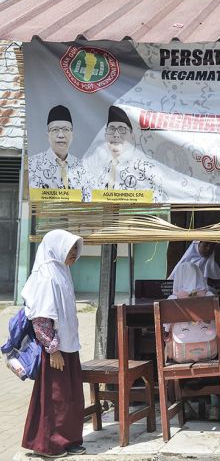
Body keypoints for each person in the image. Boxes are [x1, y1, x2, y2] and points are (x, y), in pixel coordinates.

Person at [21, 229, 86, 458]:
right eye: (70, 249)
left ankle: (69, 441)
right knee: (55, 399)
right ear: (56, 249)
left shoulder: (62, 271)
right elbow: (41, 317)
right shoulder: (47, 276)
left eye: (76, 249)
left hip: (68, 346)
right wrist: (53, 349)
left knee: (72, 397)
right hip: (55, 349)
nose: (74, 254)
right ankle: (49, 445)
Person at [164, 262, 220, 420]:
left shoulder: (172, 299)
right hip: (210, 351)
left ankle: (183, 404)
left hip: (180, 354)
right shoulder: (210, 297)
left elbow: (165, 329)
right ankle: (215, 406)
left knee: (167, 351)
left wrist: (167, 335)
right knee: (216, 360)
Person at [95, 105, 162, 200]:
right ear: (106, 135)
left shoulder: (147, 169)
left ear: (132, 136)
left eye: (122, 130)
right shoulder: (97, 167)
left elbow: (156, 202)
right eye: (112, 129)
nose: (116, 135)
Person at [28, 105, 90, 201]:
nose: (61, 135)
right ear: (47, 135)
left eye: (66, 129)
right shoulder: (32, 165)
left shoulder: (83, 168)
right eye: (55, 130)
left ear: (72, 135)